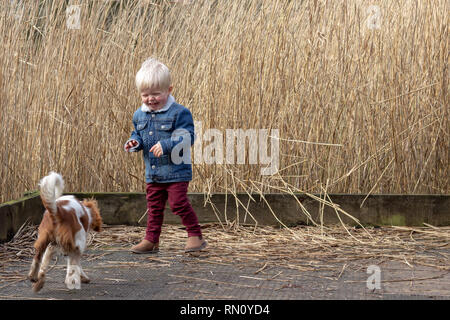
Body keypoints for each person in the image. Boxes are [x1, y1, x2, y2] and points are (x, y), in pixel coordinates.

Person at [124, 58, 207, 254]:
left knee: (178, 203)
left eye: (156, 94)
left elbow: (188, 137)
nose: (150, 99)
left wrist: (167, 144)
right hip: (153, 172)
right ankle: (151, 240)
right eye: (145, 95)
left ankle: (195, 236)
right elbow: (138, 134)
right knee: (153, 207)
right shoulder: (139, 115)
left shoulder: (180, 113)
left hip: (176, 171)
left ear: (169, 90)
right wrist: (134, 143)